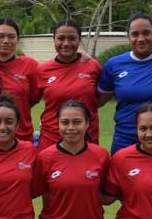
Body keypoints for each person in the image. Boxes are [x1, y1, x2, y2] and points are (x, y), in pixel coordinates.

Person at [97, 12, 152, 154]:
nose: (141, 39)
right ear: (128, 38)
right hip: (126, 140)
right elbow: (96, 101)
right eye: (135, 34)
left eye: (146, 33)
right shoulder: (114, 65)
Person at [36, 19, 102, 150]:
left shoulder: (92, 66)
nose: (66, 43)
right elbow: (29, 100)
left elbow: (101, 97)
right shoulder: (42, 70)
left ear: (79, 40)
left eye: (72, 38)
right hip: (51, 139)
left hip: (86, 138)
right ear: (54, 39)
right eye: (61, 38)